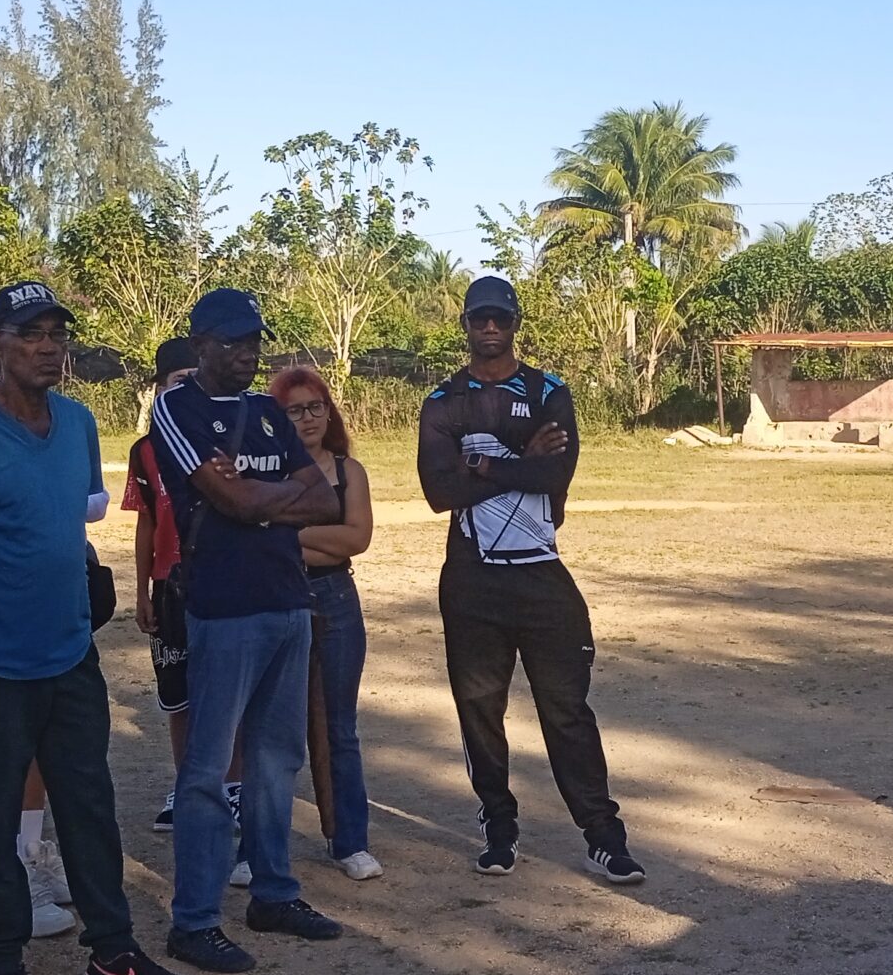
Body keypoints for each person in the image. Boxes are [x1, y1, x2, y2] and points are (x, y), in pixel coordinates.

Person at [0, 281, 190, 975]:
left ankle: (114, 952)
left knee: (89, 801)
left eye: (56, 334)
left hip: (69, 652)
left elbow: (68, 526)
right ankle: (3, 963)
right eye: (29, 333)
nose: (47, 347)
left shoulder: (78, 424)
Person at [418, 275, 646, 885]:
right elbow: (438, 492)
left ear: (515, 322)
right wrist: (523, 458)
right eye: (478, 319)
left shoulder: (550, 389)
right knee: (479, 710)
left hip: (543, 577)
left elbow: (557, 475)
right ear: (464, 325)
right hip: (472, 580)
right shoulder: (444, 399)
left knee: (566, 710)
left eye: (500, 318)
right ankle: (498, 827)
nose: (489, 328)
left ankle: (603, 836)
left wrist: (482, 458)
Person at [149, 288, 346, 974]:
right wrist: (267, 502)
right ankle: (195, 920)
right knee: (208, 769)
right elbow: (226, 498)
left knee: (276, 760)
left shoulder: (267, 411)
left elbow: (326, 498)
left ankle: (273, 893)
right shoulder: (176, 408)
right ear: (200, 344)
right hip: (224, 607)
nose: (245, 353)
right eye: (231, 342)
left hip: (288, 601)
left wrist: (257, 505)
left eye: (253, 340)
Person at [271, 365, 382, 880]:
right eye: (295, 409)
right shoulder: (268, 473)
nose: (308, 418)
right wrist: (323, 533)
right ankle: (261, 848)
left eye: (316, 406)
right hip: (278, 598)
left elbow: (356, 539)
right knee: (273, 729)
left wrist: (288, 538)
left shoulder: (349, 471)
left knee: (340, 727)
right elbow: (257, 535)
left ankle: (349, 841)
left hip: (337, 599)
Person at [127, 338, 196, 832]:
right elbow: (147, 521)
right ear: (159, 387)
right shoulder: (145, 451)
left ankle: (230, 789)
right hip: (167, 587)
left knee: (224, 693)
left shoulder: (227, 439)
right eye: (178, 380)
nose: (187, 388)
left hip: (219, 586)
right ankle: (186, 785)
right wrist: (140, 590)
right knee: (177, 695)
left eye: (196, 378)